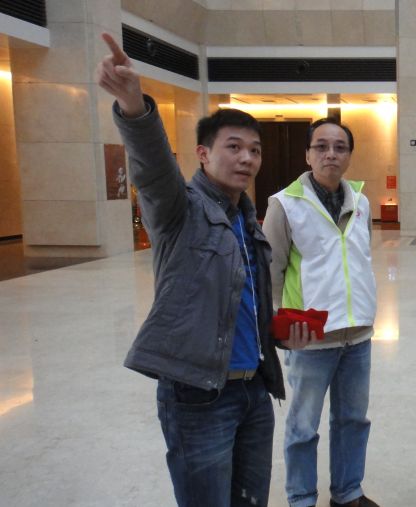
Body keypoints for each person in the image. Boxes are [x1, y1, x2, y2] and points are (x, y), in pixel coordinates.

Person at [97, 32, 311, 507]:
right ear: (203, 153)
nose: (247, 158)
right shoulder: (180, 209)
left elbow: (239, 303)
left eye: (254, 150)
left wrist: (277, 334)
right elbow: (153, 168)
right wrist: (134, 106)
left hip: (254, 391)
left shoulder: (248, 220)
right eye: (234, 147)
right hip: (198, 396)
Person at [263, 118, 379, 507]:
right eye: (322, 146)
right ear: (308, 154)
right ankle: (301, 498)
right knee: (303, 426)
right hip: (310, 337)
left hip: (357, 334)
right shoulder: (284, 204)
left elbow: (359, 259)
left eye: (340, 147)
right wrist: (280, 328)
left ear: (349, 155)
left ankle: (348, 493)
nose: (331, 154)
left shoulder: (361, 201)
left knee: (353, 420)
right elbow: (271, 273)